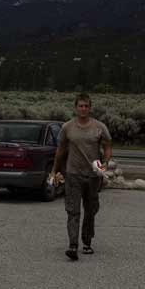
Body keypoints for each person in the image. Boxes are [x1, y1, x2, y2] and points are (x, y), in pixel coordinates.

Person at [52, 92, 112, 260]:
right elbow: (61, 150)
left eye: (86, 106)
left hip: (93, 175)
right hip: (73, 175)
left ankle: (87, 242)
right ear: (75, 107)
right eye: (80, 106)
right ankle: (73, 245)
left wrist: (105, 162)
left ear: (90, 108)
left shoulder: (99, 127)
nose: (83, 109)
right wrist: (54, 170)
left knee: (91, 210)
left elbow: (107, 147)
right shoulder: (67, 127)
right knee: (73, 210)